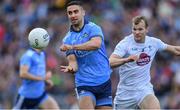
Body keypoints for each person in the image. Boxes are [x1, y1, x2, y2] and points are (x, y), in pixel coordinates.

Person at [109, 15, 180, 109]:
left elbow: (175, 49)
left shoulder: (153, 42)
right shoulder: (125, 44)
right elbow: (110, 62)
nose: (137, 32)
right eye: (134, 29)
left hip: (144, 89)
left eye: (140, 29)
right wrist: (127, 59)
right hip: (125, 93)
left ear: (147, 29)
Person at [60, 1, 112, 109]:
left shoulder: (93, 28)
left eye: (75, 12)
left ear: (83, 12)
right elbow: (73, 62)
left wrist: (73, 47)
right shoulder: (67, 39)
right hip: (84, 84)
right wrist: (71, 68)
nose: (73, 15)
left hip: (104, 82)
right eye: (70, 13)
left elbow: (96, 44)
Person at [13, 28, 60, 109]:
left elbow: (38, 73)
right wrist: (42, 78)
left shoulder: (42, 54)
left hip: (40, 95)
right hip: (27, 97)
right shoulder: (28, 56)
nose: (47, 41)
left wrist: (45, 81)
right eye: (45, 38)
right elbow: (23, 73)